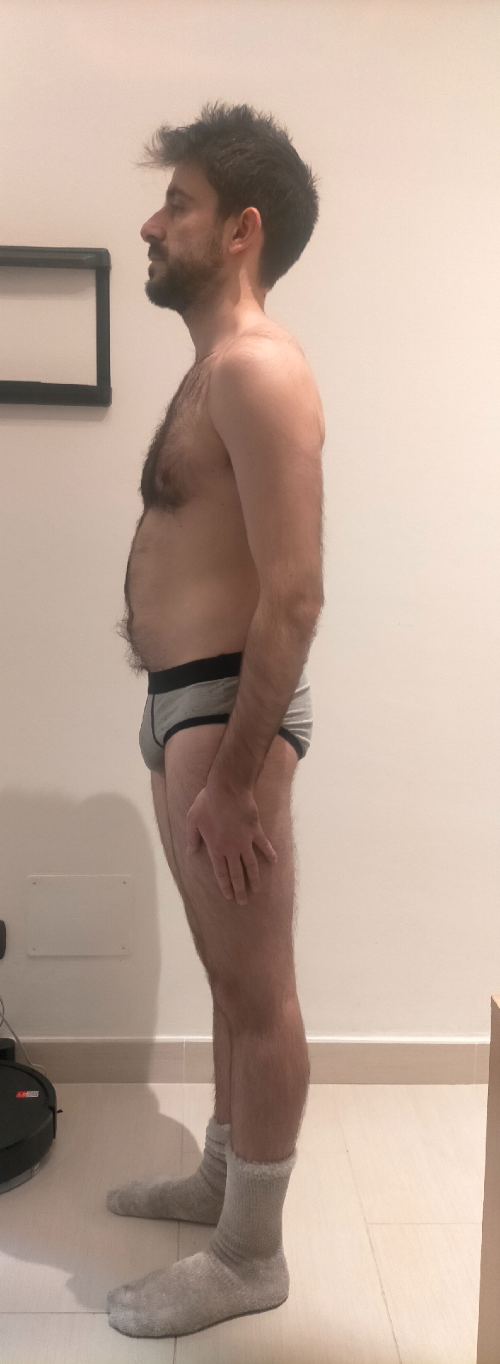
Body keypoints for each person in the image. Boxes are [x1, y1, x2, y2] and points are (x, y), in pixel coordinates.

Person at [106, 101, 325, 1339]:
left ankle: (250, 1252)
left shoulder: (258, 367)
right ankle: (219, 1174)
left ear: (239, 229)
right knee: (224, 974)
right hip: (181, 703)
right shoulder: (212, 366)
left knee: (259, 988)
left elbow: (294, 594)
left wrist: (238, 778)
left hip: (225, 707)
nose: (152, 223)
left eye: (176, 203)